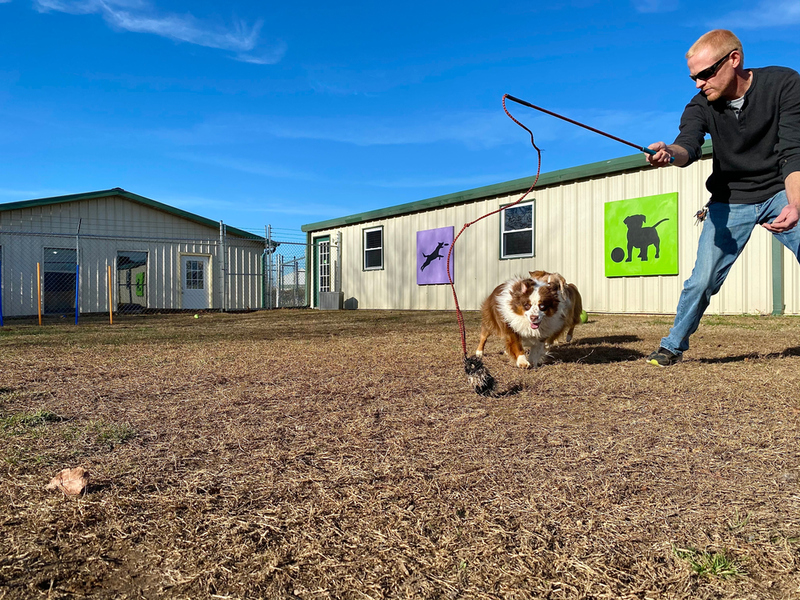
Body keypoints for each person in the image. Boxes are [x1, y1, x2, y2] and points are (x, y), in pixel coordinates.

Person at [645, 29, 800, 367]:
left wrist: (796, 203)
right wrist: (669, 153)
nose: (698, 83)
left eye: (705, 74)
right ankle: (672, 345)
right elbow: (687, 144)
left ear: (734, 60)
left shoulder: (784, 83)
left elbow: (793, 151)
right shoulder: (700, 104)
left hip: (779, 189)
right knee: (701, 280)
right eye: (693, 77)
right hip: (730, 200)